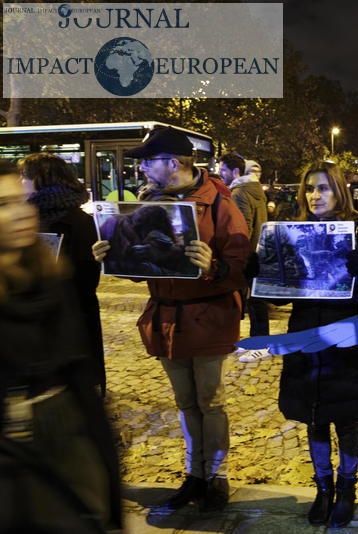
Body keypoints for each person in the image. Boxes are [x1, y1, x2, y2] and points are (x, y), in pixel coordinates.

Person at [91, 127, 251, 512]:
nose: (142, 168)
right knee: (185, 402)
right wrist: (113, 256)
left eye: (148, 160)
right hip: (167, 318)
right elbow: (142, 268)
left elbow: (242, 264)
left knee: (210, 401)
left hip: (209, 315)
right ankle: (194, 475)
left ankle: (217, 477)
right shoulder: (147, 205)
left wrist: (215, 267)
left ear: (174, 162)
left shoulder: (219, 203)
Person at [0, 160, 122, 532]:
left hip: (65, 444)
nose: (24, 211)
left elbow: (80, 382)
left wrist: (110, 486)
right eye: (5, 205)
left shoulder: (50, 276)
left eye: (23, 199)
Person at [278, 161, 358, 528]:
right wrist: (262, 271)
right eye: (310, 188)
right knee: (314, 417)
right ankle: (323, 489)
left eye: (323, 188)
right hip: (307, 336)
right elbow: (280, 297)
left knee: (345, 418)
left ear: (339, 190)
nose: (315, 195)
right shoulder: (295, 230)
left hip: (346, 340)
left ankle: (347, 489)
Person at [20, 152, 106, 397]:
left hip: (71, 319)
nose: (20, 184)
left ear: (42, 179)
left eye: (24, 177)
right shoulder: (27, 218)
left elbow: (87, 280)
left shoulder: (79, 223)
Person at [219, 153, 271, 364]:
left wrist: (239, 258)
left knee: (255, 301)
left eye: (223, 170)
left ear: (235, 172)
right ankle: (257, 342)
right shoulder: (255, 189)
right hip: (258, 252)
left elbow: (243, 228)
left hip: (249, 256)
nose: (220, 173)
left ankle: (261, 345)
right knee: (255, 299)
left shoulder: (239, 193)